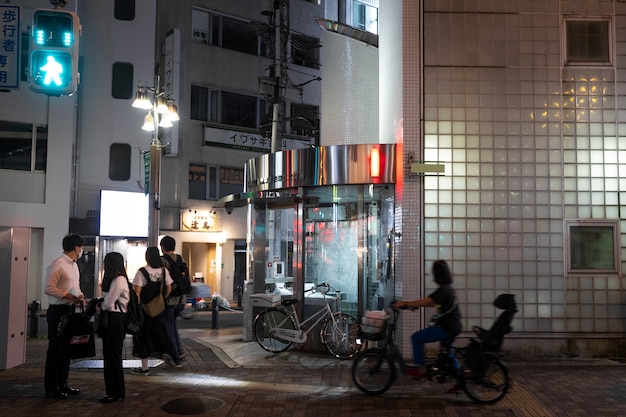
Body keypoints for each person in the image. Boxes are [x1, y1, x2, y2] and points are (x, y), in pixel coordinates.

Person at [392, 259, 462, 381]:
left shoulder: (443, 290)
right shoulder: (448, 289)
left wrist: (404, 303)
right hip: (453, 326)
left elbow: (426, 301)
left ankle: (421, 369)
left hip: (447, 328)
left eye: (434, 273)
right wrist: (411, 306)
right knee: (447, 353)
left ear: (438, 274)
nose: (432, 275)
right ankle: (461, 381)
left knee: (417, 337)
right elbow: (433, 303)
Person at [43, 234, 86, 400]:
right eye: (80, 247)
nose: (81, 250)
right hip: (57, 310)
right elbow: (48, 288)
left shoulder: (74, 266)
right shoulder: (57, 264)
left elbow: (76, 286)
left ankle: (63, 384)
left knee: (67, 349)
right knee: (55, 349)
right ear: (76, 248)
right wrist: (67, 296)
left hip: (70, 309)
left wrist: (80, 296)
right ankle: (51, 388)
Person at [131, 246, 172, 375]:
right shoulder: (164, 271)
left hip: (144, 310)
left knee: (142, 337)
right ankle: (164, 356)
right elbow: (169, 289)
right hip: (159, 310)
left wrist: (136, 307)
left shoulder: (141, 272)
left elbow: (136, 293)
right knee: (159, 334)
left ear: (146, 257)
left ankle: (144, 368)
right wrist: (160, 301)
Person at [98, 252, 130, 403]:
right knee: (111, 357)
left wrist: (101, 305)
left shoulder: (119, 280)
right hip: (114, 320)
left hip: (115, 320)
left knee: (112, 357)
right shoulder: (117, 279)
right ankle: (114, 391)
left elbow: (109, 303)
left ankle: (115, 392)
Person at [160, 235, 186, 368]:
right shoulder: (181, 259)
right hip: (181, 300)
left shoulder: (162, 261)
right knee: (173, 327)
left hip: (169, 300)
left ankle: (176, 359)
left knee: (168, 329)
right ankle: (179, 352)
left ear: (162, 247)